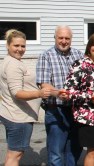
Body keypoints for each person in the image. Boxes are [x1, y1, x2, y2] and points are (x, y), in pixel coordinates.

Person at [0, 29, 51, 166]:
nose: (20, 49)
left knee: (12, 153)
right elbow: (17, 92)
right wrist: (39, 93)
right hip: (18, 118)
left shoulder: (11, 61)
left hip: (13, 114)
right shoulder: (13, 65)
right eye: (16, 46)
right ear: (8, 45)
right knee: (15, 155)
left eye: (23, 46)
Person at [36, 25, 83, 166]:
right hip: (56, 110)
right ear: (55, 38)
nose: (64, 41)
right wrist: (59, 93)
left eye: (67, 38)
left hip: (76, 110)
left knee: (74, 150)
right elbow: (44, 84)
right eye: (60, 38)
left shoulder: (79, 55)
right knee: (56, 154)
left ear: (71, 39)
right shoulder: (46, 56)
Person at [64, 32, 94, 166]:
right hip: (89, 113)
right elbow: (68, 91)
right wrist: (89, 97)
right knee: (92, 151)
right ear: (89, 47)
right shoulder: (80, 64)